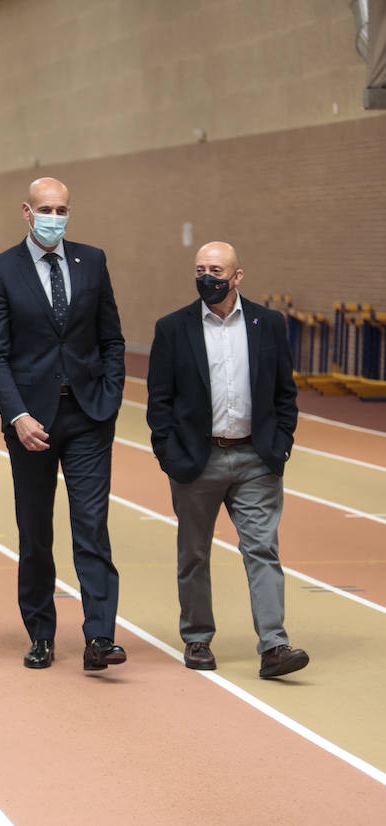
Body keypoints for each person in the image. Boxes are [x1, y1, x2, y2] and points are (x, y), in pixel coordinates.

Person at [0, 177, 127, 671]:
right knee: (35, 531)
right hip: (31, 422)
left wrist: (109, 397)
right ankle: (41, 633)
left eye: (62, 209)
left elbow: (112, 339)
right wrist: (17, 415)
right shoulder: (1, 270)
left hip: (88, 414)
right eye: (46, 208)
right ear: (26, 211)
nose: (54, 217)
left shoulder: (94, 261)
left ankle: (100, 637)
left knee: (91, 527)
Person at [146, 242, 309, 678]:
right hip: (197, 461)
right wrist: (168, 454)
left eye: (216, 269)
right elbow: (159, 402)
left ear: (238, 276)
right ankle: (197, 638)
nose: (207, 277)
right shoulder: (173, 328)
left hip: (256, 458)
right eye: (200, 269)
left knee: (262, 549)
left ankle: (275, 645)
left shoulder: (268, 324)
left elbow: (284, 393)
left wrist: (282, 444)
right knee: (194, 554)